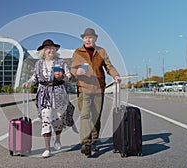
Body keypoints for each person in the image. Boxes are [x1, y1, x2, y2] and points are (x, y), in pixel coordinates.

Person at [70, 28, 121, 156]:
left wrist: (116, 76)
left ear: (95, 39)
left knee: (96, 117)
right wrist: (77, 72)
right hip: (84, 88)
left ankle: (93, 141)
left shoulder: (101, 51)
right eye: (86, 37)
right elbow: (72, 69)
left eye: (91, 37)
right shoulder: (78, 52)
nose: (88, 39)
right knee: (85, 115)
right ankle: (86, 143)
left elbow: (109, 66)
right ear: (83, 39)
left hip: (98, 89)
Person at [22, 39, 72, 158]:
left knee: (58, 120)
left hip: (59, 93)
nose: (51, 50)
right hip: (44, 95)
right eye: (48, 48)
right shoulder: (38, 64)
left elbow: (70, 78)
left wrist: (63, 76)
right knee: (46, 119)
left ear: (56, 50)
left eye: (53, 48)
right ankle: (47, 148)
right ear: (44, 51)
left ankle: (58, 139)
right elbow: (35, 78)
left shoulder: (61, 62)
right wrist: (28, 83)